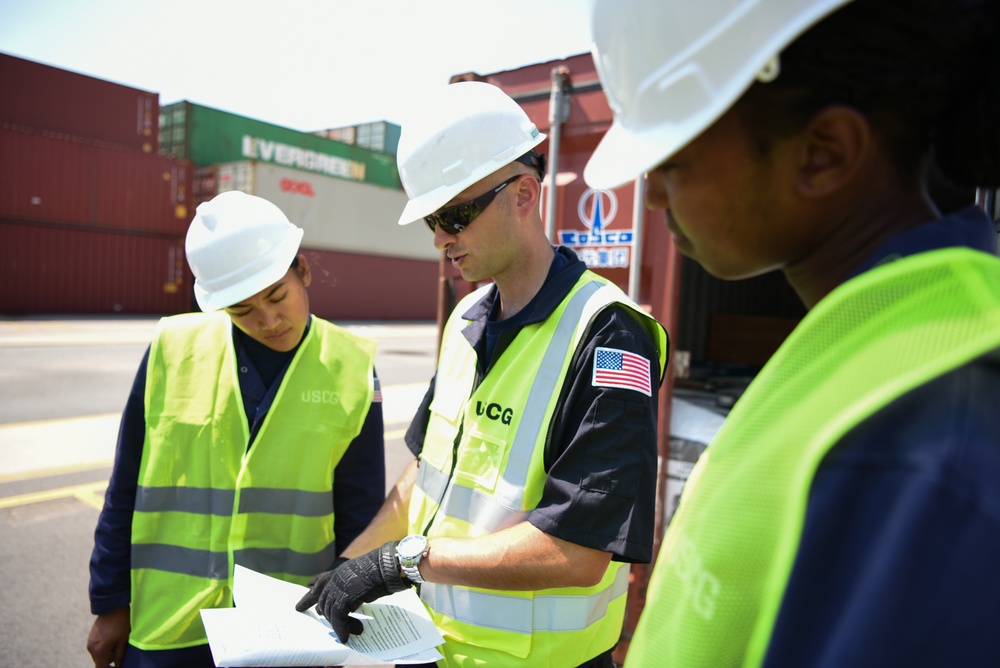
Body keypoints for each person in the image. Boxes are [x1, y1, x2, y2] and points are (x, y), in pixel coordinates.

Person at [584, 0, 1000, 666]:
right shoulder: (861, 343)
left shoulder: (923, 440)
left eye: (673, 158)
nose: (653, 194)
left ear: (823, 154)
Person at [294, 81, 669, 667]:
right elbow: (424, 475)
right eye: (432, 222)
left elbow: (579, 551)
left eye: (456, 215)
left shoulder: (608, 336)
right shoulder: (466, 319)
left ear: (524, 194)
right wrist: (349, 570)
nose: (442, 238)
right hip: (432, 649)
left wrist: (400, 562)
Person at [86, 190, 386, 668]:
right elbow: (125, 488)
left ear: (302, 271)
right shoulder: (171, 347)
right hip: (169, 625)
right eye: (243, 311)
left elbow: (361, 510)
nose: (268, 321)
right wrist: (109, 603)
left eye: (277, 296)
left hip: (289, 626)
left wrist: (353, 613)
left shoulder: (353, 367)